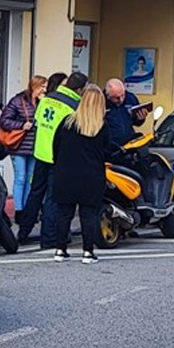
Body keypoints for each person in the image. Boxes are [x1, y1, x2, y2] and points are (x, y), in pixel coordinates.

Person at [18, 71, 86, 250]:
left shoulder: (48, 98)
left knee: (35, 193)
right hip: (57, 156)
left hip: (40, 153)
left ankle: (23, 232)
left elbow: (38, 122)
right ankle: (48, 239)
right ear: (79, 89)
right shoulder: (74, 105)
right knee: (52, 199)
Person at [52, 85, 110, 264]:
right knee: (89, 215)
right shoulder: (101, 126)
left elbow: (56, 147)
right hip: (91, 175)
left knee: (63, 213)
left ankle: (60, 249)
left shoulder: (67, 122)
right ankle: (87, 251)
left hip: (66, 173)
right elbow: (106, 152)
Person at [0, 75, 47, 220]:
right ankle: (19, 210)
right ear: (35, 87)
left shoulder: (43, 103)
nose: (45, 90)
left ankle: (27, 208)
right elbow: (4, 121)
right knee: (20, 178)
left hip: (35, 146)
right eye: (43, 87)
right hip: (19, 146)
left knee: (30, 179)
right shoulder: (18, 101)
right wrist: (21, 125)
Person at [104, 78, 148, 147]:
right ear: (108, 96)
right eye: (116, 98)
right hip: (110, 146)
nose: (121, 100)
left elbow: (136, 122)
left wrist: (140, 118)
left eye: (123, 95)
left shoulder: (131, 98)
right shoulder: (101, 101)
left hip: (129, 144)